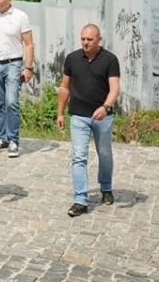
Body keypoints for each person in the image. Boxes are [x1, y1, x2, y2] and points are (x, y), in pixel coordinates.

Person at [56, 24, 120, 217]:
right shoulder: (72, 59)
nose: (85, 42)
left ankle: (106, 187)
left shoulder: (110, 60)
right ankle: (80, 199)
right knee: (79, 157)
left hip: (103, 116)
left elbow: (114, 88)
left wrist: (106, 107)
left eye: (89, 39)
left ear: (99, 39)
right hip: (78, 116)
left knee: (105, 154)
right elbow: (65, 87)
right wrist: (60, 113)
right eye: (83, 38)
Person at [0, 0, 34, 158]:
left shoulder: (20, 16)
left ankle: (13, 140)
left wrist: (28, 67)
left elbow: (28, 43)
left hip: (13, 63)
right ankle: (2, 137)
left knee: (11, 101)